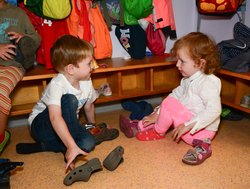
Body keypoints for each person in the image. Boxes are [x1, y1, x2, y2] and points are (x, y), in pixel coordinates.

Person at [119, 32, 222, 165]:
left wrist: (186, 125)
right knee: (166, 105)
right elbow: (174, 96)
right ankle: (140, 125)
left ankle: (157, 131)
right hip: (186, 128)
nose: (177, 65)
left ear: (201, 63)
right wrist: (157, 113)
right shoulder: (187, 80)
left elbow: (214, 111)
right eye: (178, 60)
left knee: (168, 104)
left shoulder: (208, 83)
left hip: (200, 133)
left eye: (182, 61)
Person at [16, 35, 98, 170]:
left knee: (89, 143)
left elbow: (89, 106)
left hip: (65, 126)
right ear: (71, 69)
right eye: (89, 63)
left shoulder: (87, 81)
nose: (93, 66)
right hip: (41, 125)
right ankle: (68, 146)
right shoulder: (57, 84)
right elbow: (55, 117)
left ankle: (46, 146)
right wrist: (71, 145)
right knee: (69, 99)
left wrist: (93, 126)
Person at [0, 0, 41, 154]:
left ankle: (0, 138)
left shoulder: (18, 13)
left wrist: (25, 38)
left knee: (0, 92)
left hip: (11, 66)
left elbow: (36, 39)